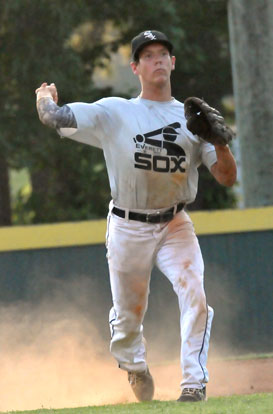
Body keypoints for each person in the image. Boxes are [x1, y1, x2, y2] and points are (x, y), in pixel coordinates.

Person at [35, 30, 237, 403]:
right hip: (128, 225)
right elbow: (53, 117)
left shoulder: (192, 120)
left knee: (195, 293)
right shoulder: (115, 112)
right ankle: (134, 365)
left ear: (172, 63)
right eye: (148, 55)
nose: (157, 59)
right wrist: (44, 97)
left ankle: (194, 384)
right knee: (128, 322)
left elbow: (227, 177)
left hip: (175, 223)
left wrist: (220, 143)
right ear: (135, 67)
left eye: (163, 54)